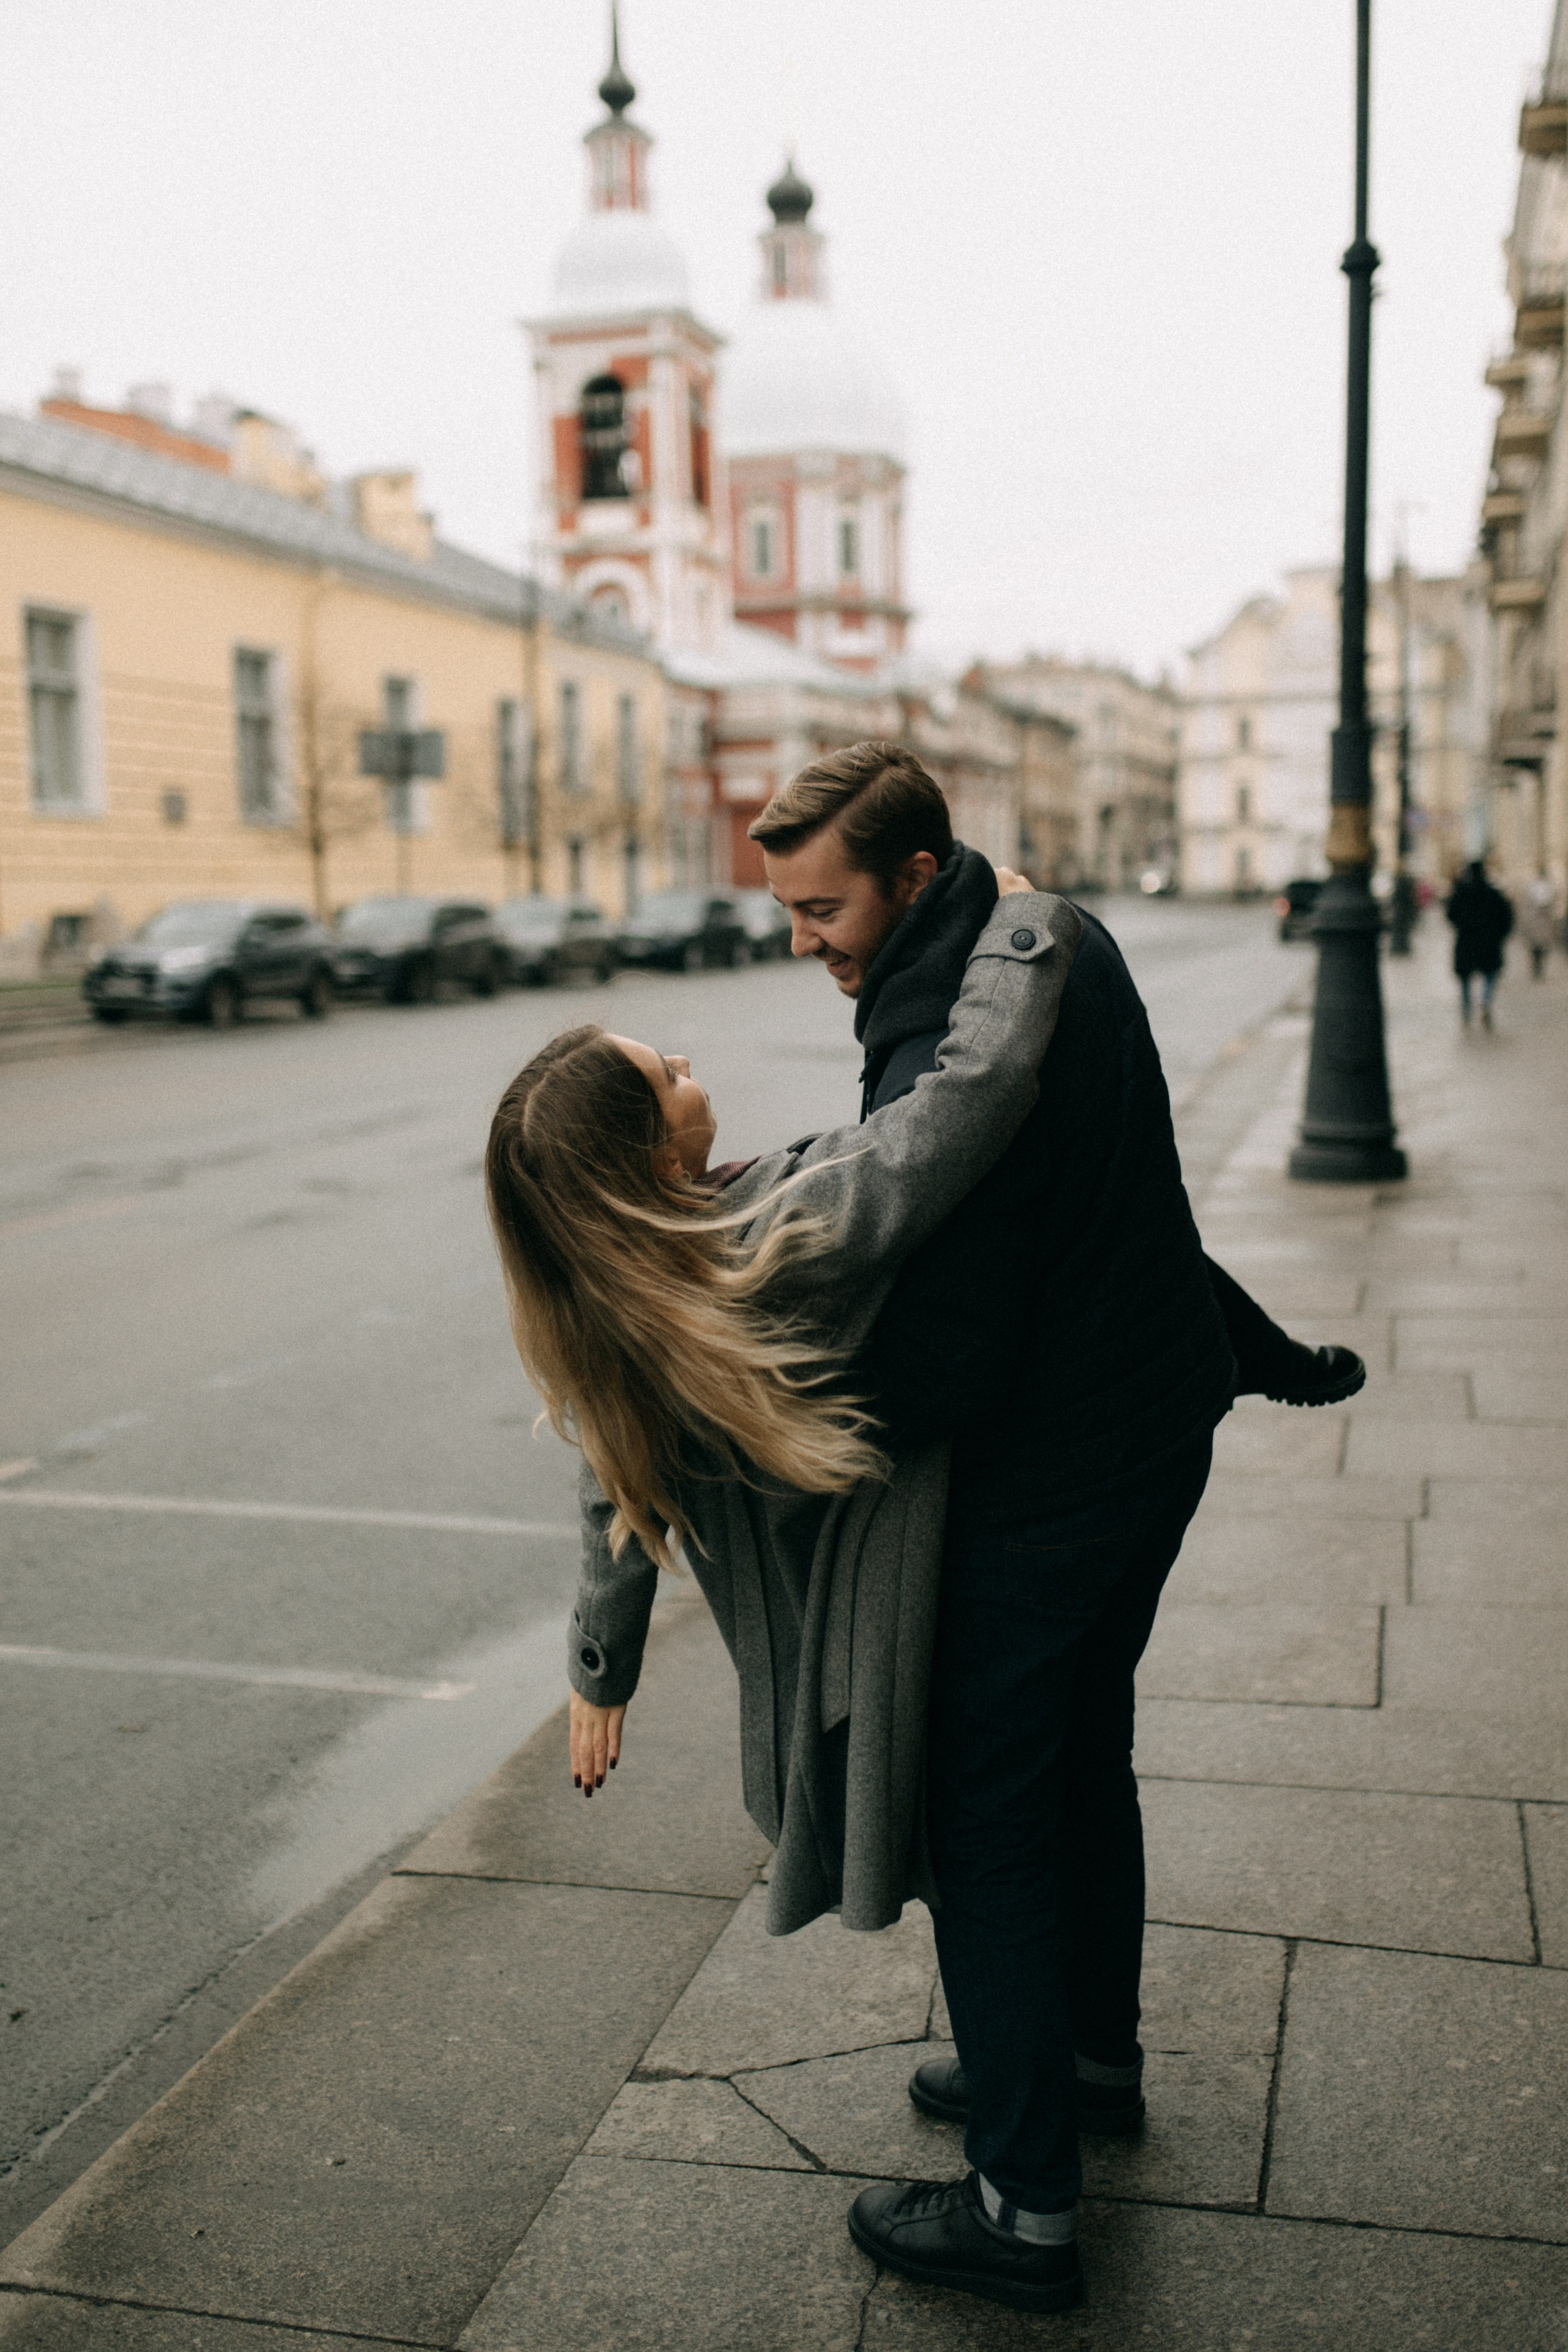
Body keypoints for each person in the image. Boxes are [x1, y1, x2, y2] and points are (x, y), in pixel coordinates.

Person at [745, 741, 1368, 2310]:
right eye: (786, 909)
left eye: (822, 907)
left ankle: (1023, 2206)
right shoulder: (1028, 944)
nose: (802, 937)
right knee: (1080, 1749)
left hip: (1059, 1468)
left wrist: (809, 1410)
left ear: (907, 877)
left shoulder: (965, 1012)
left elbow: (949, 1332)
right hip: (1152, 1422)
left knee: (985, 1803)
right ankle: (1083, 2058)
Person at [488, 883, 1097, 2318]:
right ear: (648, 1145)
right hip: (921, 1576)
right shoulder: (775, 1229)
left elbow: (608, 1498)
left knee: (972, 1846)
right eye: (665, 1075)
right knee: (994, 1844)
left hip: (827, 1640)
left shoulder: (625, 1298)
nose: (691, 1067)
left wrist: (599, 1670)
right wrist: (1021, 930)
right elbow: (959, 1107)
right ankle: (1027, 2192)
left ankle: (1028, 2075)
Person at [1446, 858, 1514, 1026]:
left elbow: (1450, 915)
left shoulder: (1461, 892)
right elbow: (1506, 917)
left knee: (1465, 980)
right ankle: (1485, 1001)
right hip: (1489, 942)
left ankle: (1467, 1010)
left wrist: (1463, 925)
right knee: (1490, 974)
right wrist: (1500, 935)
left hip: (1467, 942)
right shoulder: (1493, 892)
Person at [1523, 872, 1558, 981]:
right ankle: (1537, 967)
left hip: (1543, 920)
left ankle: (1539, 967)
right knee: (1537, 946)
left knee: (1542, 946)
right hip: (1537, 920)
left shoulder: (1547, 886)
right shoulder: (1538, 886)